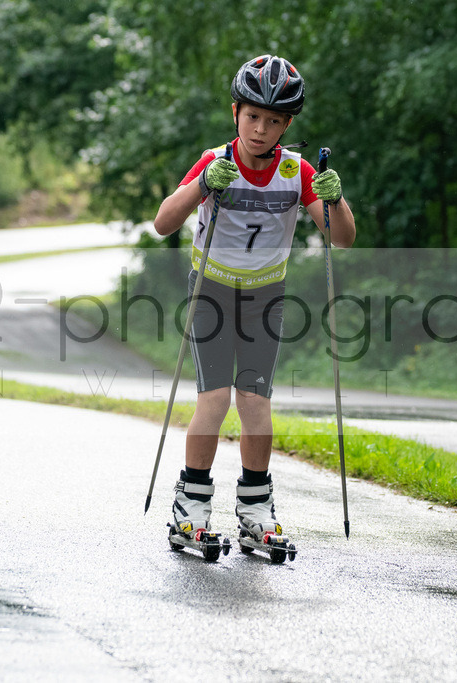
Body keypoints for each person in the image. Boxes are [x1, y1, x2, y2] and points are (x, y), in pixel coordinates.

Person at [153, 55, 356, 545]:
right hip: (212, 290)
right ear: (235, 112)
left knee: (255, 401)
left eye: (273, 121)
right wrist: (203, 184)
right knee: (216, 397)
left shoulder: (296, 171)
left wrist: (335, 199)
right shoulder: (215, 161)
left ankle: (255, 510)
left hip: (265, 296)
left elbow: (343, 238)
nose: (261, 129)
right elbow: (163, 223)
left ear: (287, 124)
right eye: (252, 117)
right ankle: (191, 505)